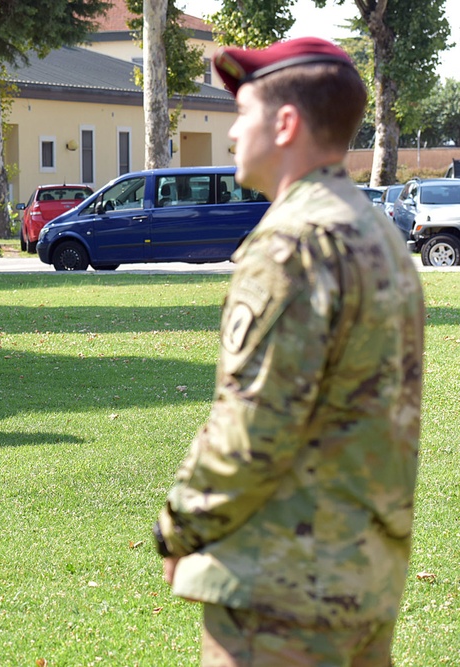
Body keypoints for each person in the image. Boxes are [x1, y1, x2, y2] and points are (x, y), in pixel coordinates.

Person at [153, 37, 424, 666]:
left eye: (241, 114)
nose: (229, 135)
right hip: (362, 580)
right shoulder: (377, 232)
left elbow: (254, 425)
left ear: (285, 123)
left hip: (280, 595)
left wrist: (180, 527)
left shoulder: (293, 244)